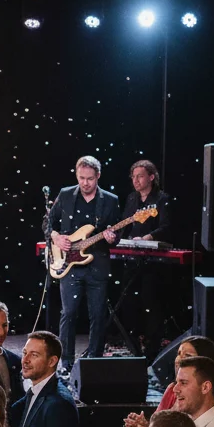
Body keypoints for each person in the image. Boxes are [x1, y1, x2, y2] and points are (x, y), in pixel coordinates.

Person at [49, 155, 121, 374]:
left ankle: (94, 361)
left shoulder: (110, 200)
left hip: (97, 264)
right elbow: (48, 223)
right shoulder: (65, 194)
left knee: (98, 315)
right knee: (68, 313)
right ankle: (66, 362)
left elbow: (117, 234)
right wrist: (56, 237)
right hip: (69, 263)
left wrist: (112, 237)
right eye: (81, 178)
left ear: (98, 176)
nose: (85, 183)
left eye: (90, 178)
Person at [118, 159, 173, 361]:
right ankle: (134, 347)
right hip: (131, 258)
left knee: (151, 303)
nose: (135, 180)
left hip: (153, 261)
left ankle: (152, 351)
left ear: (151, 177)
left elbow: (166, 227)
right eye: (133, 177)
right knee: (129, 302)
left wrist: (148, 237)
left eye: (140, 176)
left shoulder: (162, 199)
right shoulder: (131, 199)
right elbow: (125, 223)